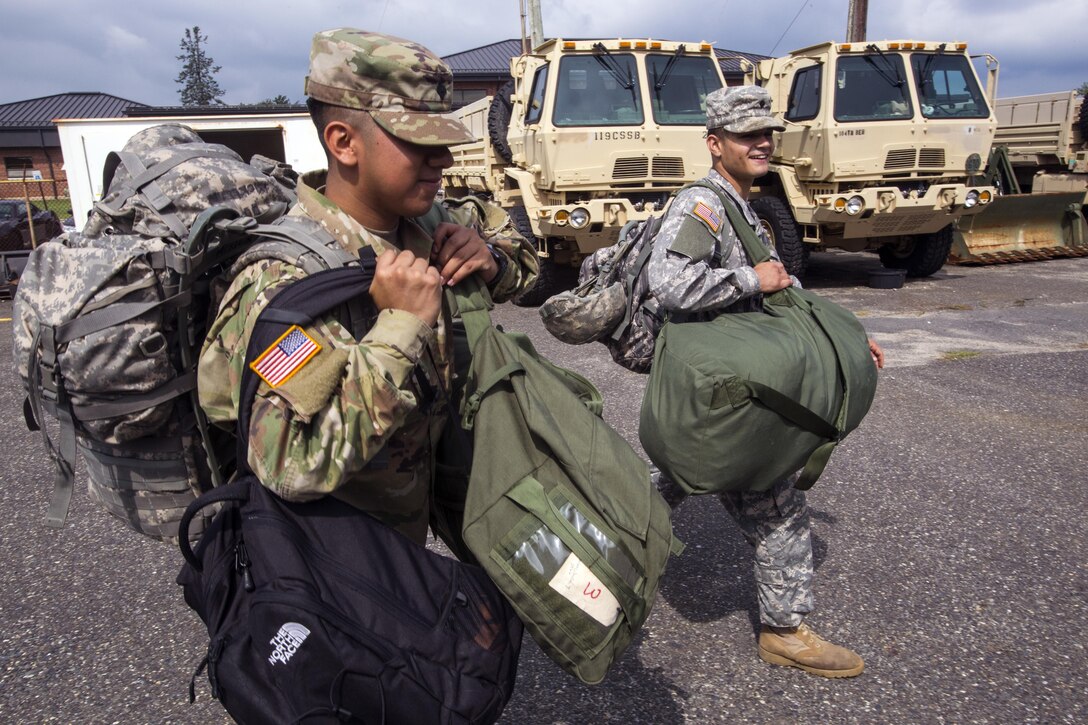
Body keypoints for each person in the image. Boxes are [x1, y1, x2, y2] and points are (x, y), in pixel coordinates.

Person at [198, 28, 538, 545]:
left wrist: (490, 261)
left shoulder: (429, 221)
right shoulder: (284, 280)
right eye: (420, 141)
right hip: (345, 567)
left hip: (420, 522)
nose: (444, 159)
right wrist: (401, 326)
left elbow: (523, 260)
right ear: (344, 142)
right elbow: (290, 462)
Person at [645, 85, 885, 679]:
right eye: (746, 134)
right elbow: (670, 284)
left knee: (666, 486)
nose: (762, 142)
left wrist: (847, 338)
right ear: (714, 143)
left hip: (736, 386)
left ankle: (591, 560)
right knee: (777, 508)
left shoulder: (742, 203)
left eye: (767, 131)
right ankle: (785, 631)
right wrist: (750, 280)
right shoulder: (702, 205)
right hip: (726, 390)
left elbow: (782, 285)